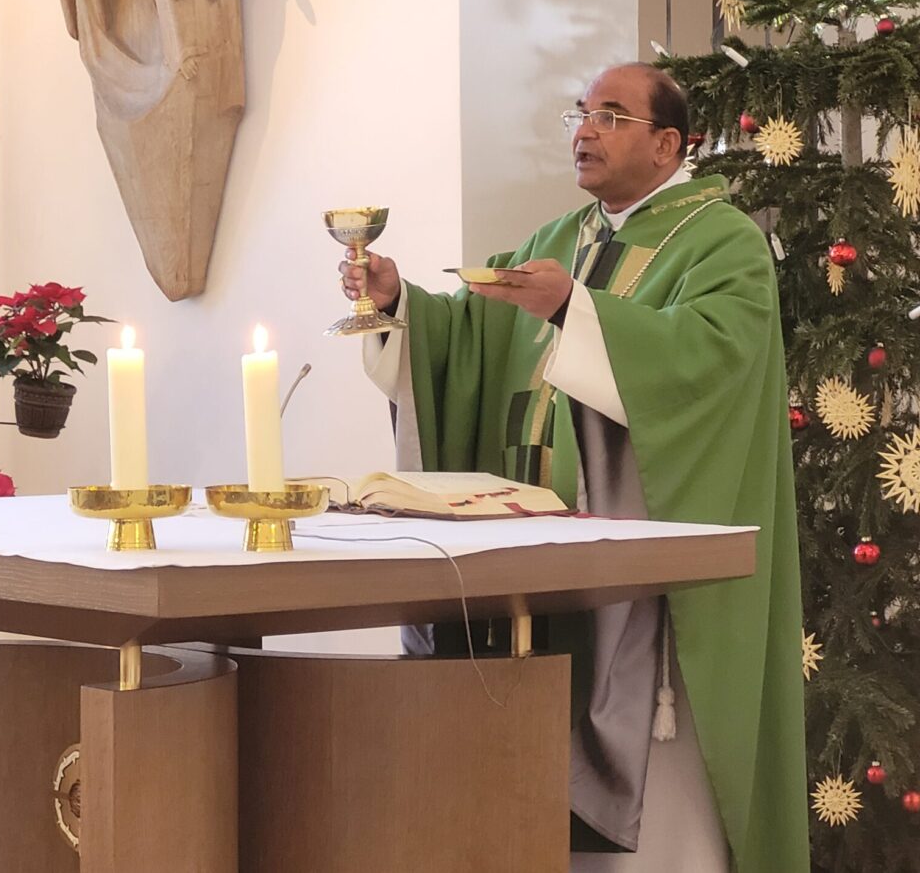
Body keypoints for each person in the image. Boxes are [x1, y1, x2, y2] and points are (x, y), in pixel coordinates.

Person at [339, 63, 809, 872]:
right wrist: (397, 305)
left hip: (643, 576)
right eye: (581, 113)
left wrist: (574, 311)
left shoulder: (723, 241)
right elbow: (469, 340)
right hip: (538, 559)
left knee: (660, 817)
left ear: (668, 143)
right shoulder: (556, 241)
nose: (584, 131)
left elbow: (710, 362)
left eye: (610, 116)